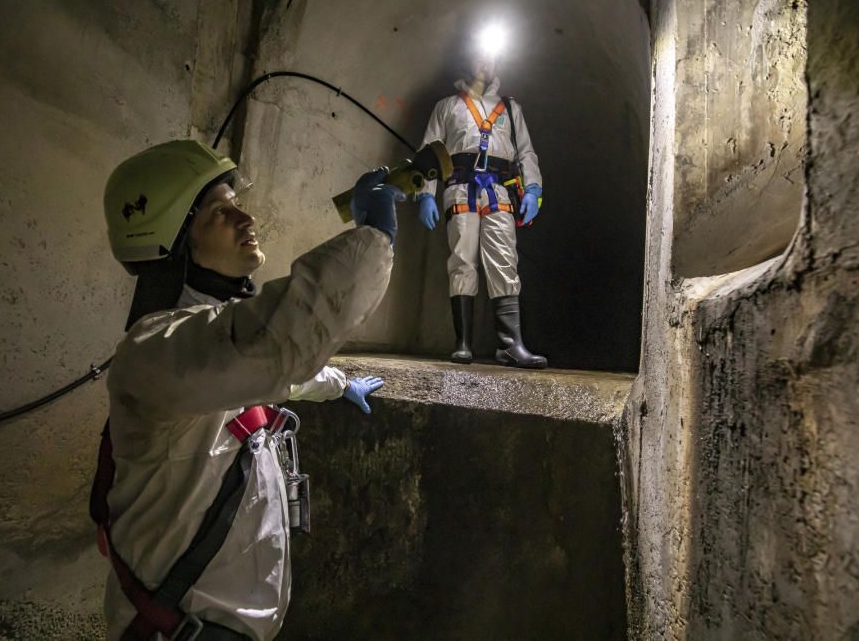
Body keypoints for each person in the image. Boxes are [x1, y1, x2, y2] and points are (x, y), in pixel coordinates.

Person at [94, 140, 403, 640]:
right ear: (173, 243)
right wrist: (374, 238)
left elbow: (268, 370)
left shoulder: (208, 348)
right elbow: (267, 345)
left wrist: (340, 385)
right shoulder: (154, 351)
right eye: (221, 211)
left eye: (238, 203)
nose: (246, 218)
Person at [417, 44, 547, 369]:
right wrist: (424, 195)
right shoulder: (447, 107)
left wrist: (532, 189)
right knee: (462, 260)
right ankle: (463, 344)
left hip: (500, 192)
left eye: (491, 57)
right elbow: (429, 153)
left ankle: (511, 345)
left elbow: (526, 153)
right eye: (480, 55)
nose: (485, 63)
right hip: (460, 189)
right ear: (466, 60)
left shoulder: (510, 109)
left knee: (505, 260)